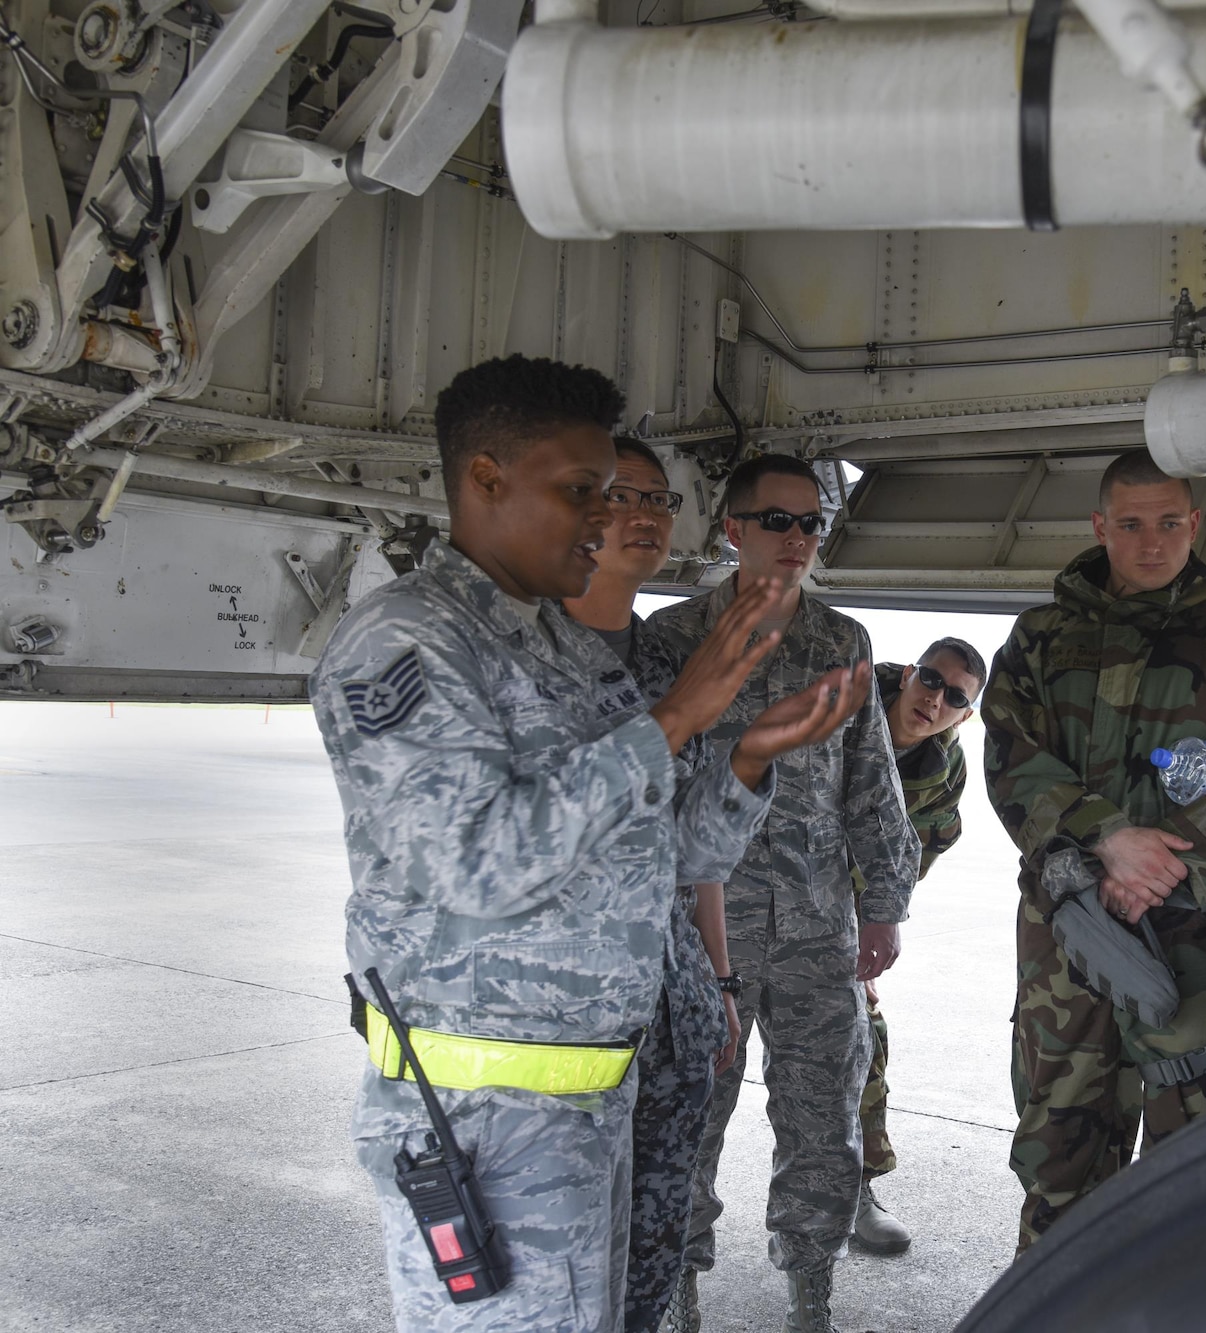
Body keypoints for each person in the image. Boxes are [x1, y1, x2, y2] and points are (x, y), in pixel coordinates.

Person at [311, 356, 871, 1333]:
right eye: (583, 494)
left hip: (597, 1097)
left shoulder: (565, 650)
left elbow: (676, 853)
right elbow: (473, 863)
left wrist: (745, 755)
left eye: (612, 495)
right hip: (484, 1124)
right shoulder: (408, 644)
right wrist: (676, 715)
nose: (604, 520)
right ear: (486, 479)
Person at [647, 453, 919, 1333]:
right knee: (689, 1116)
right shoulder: (673, 638)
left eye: (812, 525)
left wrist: (885, 901)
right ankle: (676, 1286)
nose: (798, 539)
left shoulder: (840, 642)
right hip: (701, 930)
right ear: (732, 530)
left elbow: (870, 777)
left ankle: (810, 1290)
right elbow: (651, 792)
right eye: (778, 521)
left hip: (814, 928)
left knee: (821, 1121)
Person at [983, 449, 1206, 1251]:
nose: (1151, 541)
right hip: (1067, 932)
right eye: (1131, 524)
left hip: (1190, 937)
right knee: (1059, 1140)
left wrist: (1165, 878)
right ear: (1100, 525)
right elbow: (1010, 754)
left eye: (1171, 522)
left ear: (1195, 524)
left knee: (1195, 1153)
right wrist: (1108, 837)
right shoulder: (1041, 636)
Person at [557, 437, 739, 1333]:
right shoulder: (524, 653)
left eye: (662, 502)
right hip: (565, 1025)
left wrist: (717, 974)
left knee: (652, 1263)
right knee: (558, 1274)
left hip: (672, 1009)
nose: (647, 517)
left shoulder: (673, 658)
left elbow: (692, 850)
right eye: (624, 495)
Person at [848, 637, 987, 1256]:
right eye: (931, 679)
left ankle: (856, 1191)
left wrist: (870, 923)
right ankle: (680, 1199)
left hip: (842, 922)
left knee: (862, 1044)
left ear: (966, 714)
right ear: (908, 673)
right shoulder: (844, 703)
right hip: (759, 899)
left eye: (956, 696)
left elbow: (920, 850)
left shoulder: (944, 769)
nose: (935, 698)